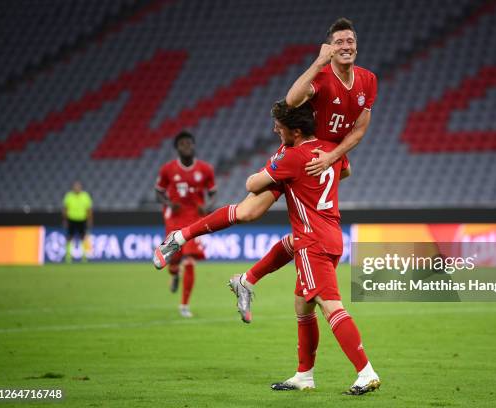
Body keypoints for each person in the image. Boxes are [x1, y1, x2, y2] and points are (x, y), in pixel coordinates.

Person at [153, 17, 377, 323]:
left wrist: (333, 157)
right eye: (339, 42)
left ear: (357, 44)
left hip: (326, 156)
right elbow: (292, 100)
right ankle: (179, 239)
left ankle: (246, 281)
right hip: (301, 152)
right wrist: (317, 62)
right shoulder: (322, 76)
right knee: (249, 212)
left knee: (306, 234)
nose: (345, 46)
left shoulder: (368, 80)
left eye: (350, 41)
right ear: (329, 47)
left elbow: (361, 129)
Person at [160, 101, 381, 395]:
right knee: (303, 305)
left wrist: (285, 173)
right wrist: (302, 182)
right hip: (330, 235)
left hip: (312, 242)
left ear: (297, 130)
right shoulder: (330, 148)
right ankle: (304, 374)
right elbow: (345, 172)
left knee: (331, 306)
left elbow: (253, 184)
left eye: (281, 129)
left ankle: (365, 371)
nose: (277, 132)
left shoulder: (293, 156)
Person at [155, 131, 217, 318]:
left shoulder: (205, 169)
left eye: (189, 143)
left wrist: (207, 206)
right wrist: (168, 203)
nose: (187, 146)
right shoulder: (168, 169)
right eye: (182, 144)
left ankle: (184, 305)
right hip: (174, 219)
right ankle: (174, 273)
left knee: (189, 260)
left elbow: (213, 194)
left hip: (194, 220)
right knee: (174, 259)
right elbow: (158, 192)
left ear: (194, 145)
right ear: (177, 148)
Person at [62, 180, 93, 263]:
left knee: (83, 237)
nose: (77, 188)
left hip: (82, 219)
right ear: (73, 188)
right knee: (69, 237)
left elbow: (89, 209)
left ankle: (84, 256)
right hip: (71, 219)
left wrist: (89, 219)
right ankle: (68, 256)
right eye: (75, 186)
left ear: (81, 187)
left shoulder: (85, 196)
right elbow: (65, 209)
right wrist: (64, 219)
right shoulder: (69, 196)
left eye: (78, 186)